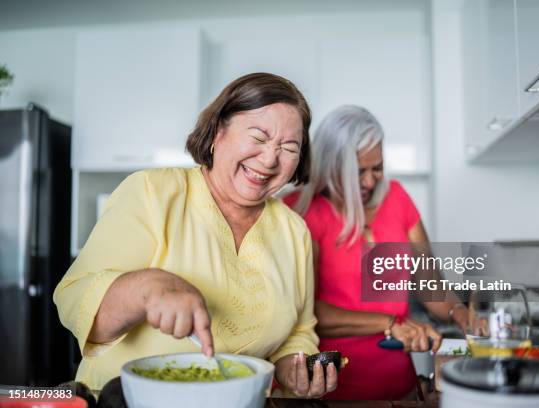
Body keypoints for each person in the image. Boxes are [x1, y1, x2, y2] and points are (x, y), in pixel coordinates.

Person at [53, 73, 337, 397]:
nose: (271, 159)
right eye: (258, 137)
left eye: (288, 147)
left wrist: (293, 370)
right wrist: (148, 287)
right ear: (218, 131)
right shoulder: (153, 193)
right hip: (127, 401)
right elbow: (74, 299)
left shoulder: (293, 230)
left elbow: (299, 331)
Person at [284, 105, 468, 400]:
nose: (370, 181)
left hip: (402, 391)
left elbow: (430, 286)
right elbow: (304, 311)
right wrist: (389, 324)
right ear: (331, 166)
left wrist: (460, 313)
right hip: (332, 394)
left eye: (377, 168)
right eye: (358, 172)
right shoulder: (302, 212)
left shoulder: (397, 198)